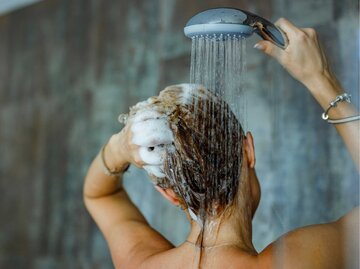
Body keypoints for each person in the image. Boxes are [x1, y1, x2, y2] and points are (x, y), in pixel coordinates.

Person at [83, 18, 359, 269]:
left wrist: (121, 144)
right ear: (248, 150)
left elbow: (99, 195)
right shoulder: (299, 260)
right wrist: (320, 78)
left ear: (170, 195)